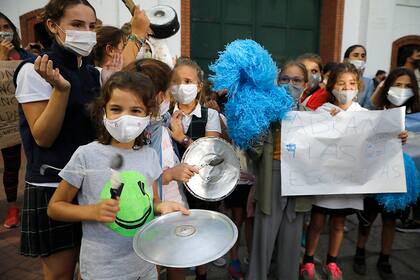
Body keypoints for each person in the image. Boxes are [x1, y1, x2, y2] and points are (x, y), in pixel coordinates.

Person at [47, 71, 188, 280]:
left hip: (144, 266)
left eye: (135, 110)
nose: (125, 117)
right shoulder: (86, 155)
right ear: (103, 111)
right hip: (102, 271)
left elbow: (152, 201)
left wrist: (162, 207)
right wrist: (92, 212)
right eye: (116, 109)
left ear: (148, 114)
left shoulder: (149, 156)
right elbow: (55, 207)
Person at [14, 0, 100, 278]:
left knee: (88, 267)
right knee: (60, 273)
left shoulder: (90, 73)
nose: (86, 32)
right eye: (76, 25)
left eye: (91, 26)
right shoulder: (35, 70)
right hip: (53, 183)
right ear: (52, 26)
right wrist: (61, 91)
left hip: (87, 183)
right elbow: (43, 137)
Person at [300, 63, 408, 280]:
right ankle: (308, 261)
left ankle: (332, 262)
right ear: (332, 87)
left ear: (358, 87)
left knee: (339, 224)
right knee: (317, 223)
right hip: (325, 180)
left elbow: (378, 141)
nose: (346, 88)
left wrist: (397, 137)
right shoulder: (322, 112)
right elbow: (306, 137)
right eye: (341, 83)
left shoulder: (366, 115)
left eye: (351, 83)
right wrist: (325, 123)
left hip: (349, 183)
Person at [124, 58, 199, 280]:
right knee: (153, 258)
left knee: (178, 257)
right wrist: (171, 174)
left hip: (174, 200)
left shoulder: (161, 123)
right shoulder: (142, 133)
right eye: (168, 91)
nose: (171, 96)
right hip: (154, 207)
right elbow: (141, 177)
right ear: (158, 96)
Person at [353, 67, 420, 280]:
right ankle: (360, 253)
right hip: (374, 174)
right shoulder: (374, 112)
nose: (402, 90)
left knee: (390, 220)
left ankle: (385, 258)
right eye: (397, 85)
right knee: (367, 218)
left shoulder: (416, 118)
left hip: (400, 176)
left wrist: (407, 137)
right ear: (388, 86)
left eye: (407, 86)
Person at [169, 57, 221, 280]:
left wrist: (183, 139)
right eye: (176, 81)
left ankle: (201, 273)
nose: (182, 86)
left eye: (188, 81)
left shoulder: (211, 116)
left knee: (200, 234)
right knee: (175, 236)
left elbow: (212, 156)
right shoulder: (163, 115)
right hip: (171, 188)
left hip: (201, 188)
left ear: (199, 87)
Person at [0, 12, 34, 228]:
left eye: (6, 26)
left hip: (26, 118)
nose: (4, 31)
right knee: (11, 166)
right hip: (6, 123)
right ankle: (12, 206)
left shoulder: (24, 55)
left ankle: (26, 205)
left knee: (27, 162)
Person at [343, 44, 375, 109]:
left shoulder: (368, 82)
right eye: (356, 55)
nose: (360, 58)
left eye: (363, 56)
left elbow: (368, 106)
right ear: (346, 59)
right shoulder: (337, 78)